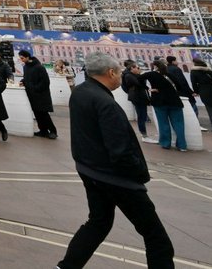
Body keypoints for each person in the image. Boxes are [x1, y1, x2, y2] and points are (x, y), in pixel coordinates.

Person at [57, 51, 174, 269]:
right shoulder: (105, 103)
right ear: (111, 72)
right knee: (156, 236)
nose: (120, 76)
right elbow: (120, 149)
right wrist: (138, 174)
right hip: (116, 177)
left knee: (98, 223)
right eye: (119, 72)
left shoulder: (80, 92)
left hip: (90, 169)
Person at [142, 59, 187, 152]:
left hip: (159, 101)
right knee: (179, 124)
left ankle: (165, 143)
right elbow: (179, 86)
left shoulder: (151, 74)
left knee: (163, 123)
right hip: (174, 101)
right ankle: (182, 145)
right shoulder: (169, 75)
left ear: (155, 66)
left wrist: (148, 88)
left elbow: (138, 79)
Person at [19, 50, 57, 139]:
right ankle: (43, 131)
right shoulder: (25, 67)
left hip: (41, 95)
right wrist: (23, 81)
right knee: (37, 113)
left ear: (27, 57)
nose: (21, 60)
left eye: (22, 58)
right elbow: (27, 78)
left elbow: (45, 82)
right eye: (20, 58)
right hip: (31, 94)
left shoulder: (39, 67)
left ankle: (53, 131)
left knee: (44, 114)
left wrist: (35, 88)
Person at [122, 60, 158, 144]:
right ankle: (144, 135)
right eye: (137, 67)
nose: (139, 69)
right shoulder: (129, 76)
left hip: (138, 96)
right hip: (137, 97)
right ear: (132, 68)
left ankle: (144, 134)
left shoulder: (129, 75)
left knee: (142, 115)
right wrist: (141, 76)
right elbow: (139, 83)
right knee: (141, 116)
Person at [164, 55, 198, 120]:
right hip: (183, 91)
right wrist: (191, 92)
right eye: (176, 60)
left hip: (174, 92)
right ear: (173, 61)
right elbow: (182, 82)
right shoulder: (176, 69)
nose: (177, 62)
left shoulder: (166, 69)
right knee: (192, 106)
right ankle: (194, 121)